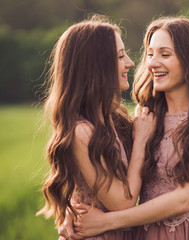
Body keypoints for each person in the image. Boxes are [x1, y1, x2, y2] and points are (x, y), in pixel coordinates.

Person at [68, 16, 189, 239]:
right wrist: (74, 213)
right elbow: (103, 172)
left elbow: (184, 200)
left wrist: (106, 222)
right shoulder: (144, 119)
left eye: (165, 54)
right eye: (150, 53)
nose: (152, 63)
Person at [36, 14, 155, 239]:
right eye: (120, 56)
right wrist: (140, 140)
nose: (130, 62)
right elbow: (122, 202)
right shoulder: (82, 131)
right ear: (95, 66)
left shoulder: (113, 118)